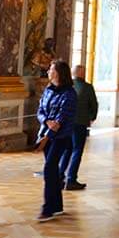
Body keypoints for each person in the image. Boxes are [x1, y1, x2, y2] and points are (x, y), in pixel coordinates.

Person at [36, 60, 77, 222]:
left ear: (58, 73)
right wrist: (46, 121)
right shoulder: (48, 90)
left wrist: (51, 130)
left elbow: (64, 116)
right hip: (46, 133)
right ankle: (58, 206)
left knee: (49, 169)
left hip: (60, 137)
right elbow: (39, 110)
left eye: (51, 69)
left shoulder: (70, 93)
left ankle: (47, 208)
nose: (48, 72)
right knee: (52, 171)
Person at [61, 65, 97, 191]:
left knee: (67, 149)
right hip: (80, 123)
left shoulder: (67, 86)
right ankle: (71, 179)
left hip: (66, 123)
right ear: (82, 73)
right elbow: (94, 104)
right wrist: (92, 117)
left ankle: (60, 177)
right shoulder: (87, 87)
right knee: (77, 150)